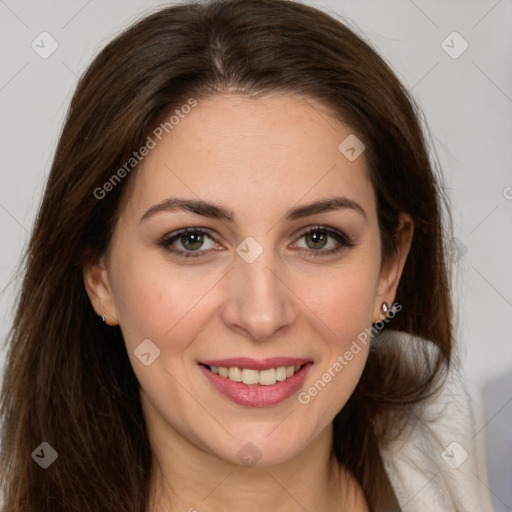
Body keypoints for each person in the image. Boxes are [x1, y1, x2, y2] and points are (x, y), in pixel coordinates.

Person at [0, 0, 495, 510]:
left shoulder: (477, 466)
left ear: (389, 270)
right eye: (192, 240)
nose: (262, 315)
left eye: (318, 238)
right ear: (98, 276)